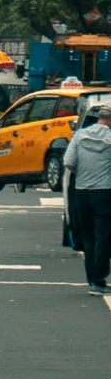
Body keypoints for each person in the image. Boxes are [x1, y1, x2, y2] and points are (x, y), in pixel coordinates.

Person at [66, 97, 111, 291]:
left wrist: (83, 172)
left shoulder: (79, 136)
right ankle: (99, 278)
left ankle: (91, 279)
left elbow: (69, 162)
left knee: (88, 235)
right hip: (104, 191)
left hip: (81, 192)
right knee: (103, 236)